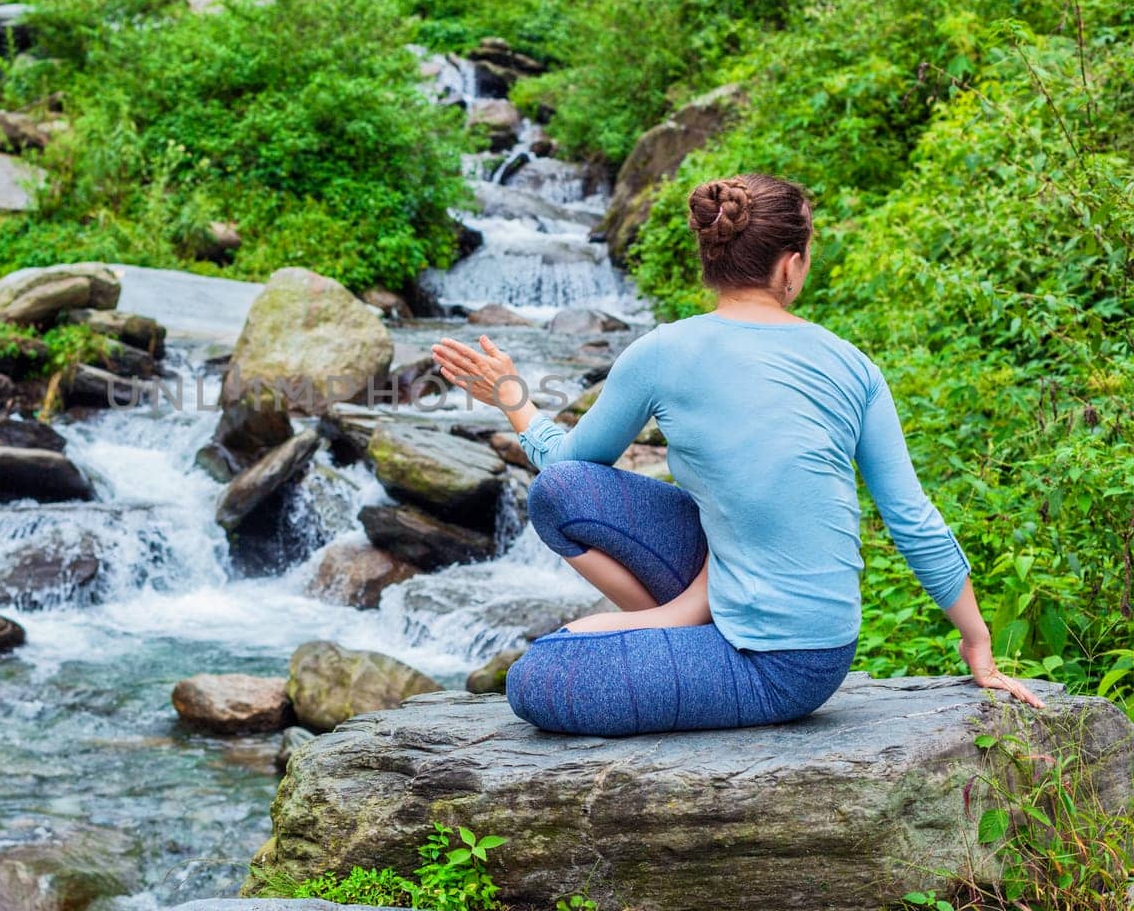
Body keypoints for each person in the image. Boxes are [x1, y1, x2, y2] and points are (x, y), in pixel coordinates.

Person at [431, 173, 1041, 737]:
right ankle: (682, 622)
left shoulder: (661, 350)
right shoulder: (853, 364)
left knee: (539, 677)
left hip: (786, 663)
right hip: (757, 605)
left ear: (711, 258)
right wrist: (976, 640)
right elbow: (910, 515)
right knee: (560, 496)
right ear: (792, 266)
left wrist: (511, 396)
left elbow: (565, 453)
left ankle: (674, 627)